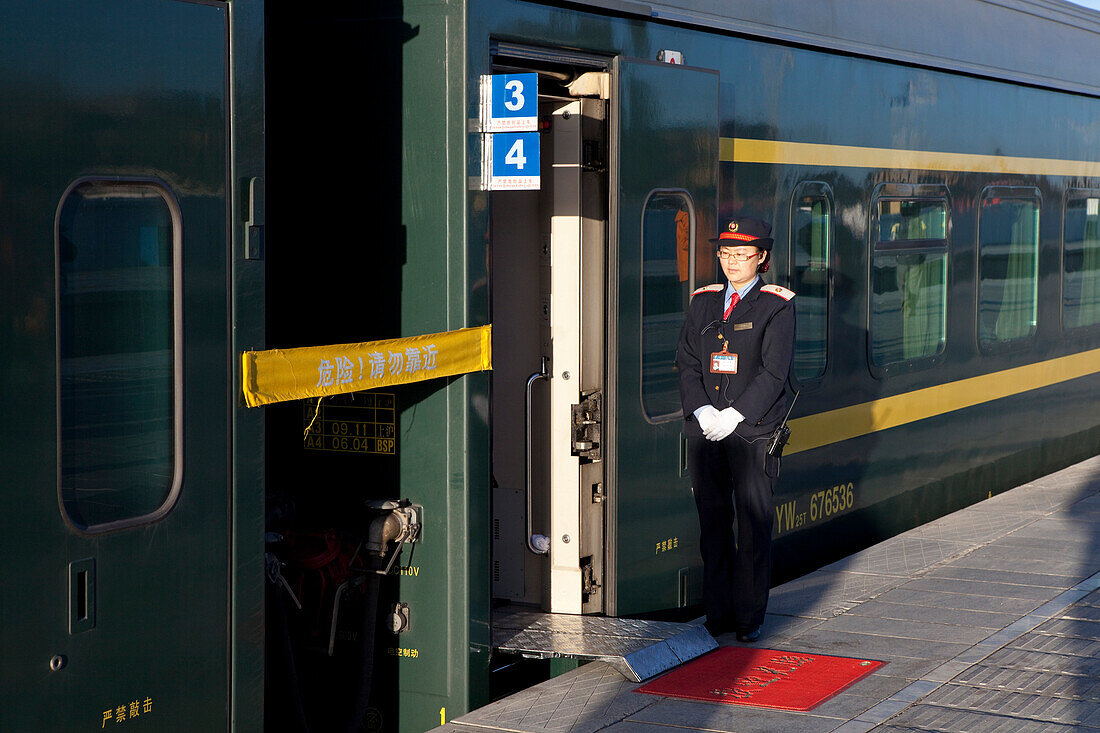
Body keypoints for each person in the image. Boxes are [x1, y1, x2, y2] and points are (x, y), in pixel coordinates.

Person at [676, 216, 795, 642]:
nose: (732, 263)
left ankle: (748, 618)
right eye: (726, 254)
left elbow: (774, 372)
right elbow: (688, 362)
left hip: (752, 433)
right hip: (707, 432)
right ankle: (718, 614)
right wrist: (704, 410)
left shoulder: (777, 305)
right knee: (713, 524)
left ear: (761, 258)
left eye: (742, 256)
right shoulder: (703, 303)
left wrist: (735, 415)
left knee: (753, 525)